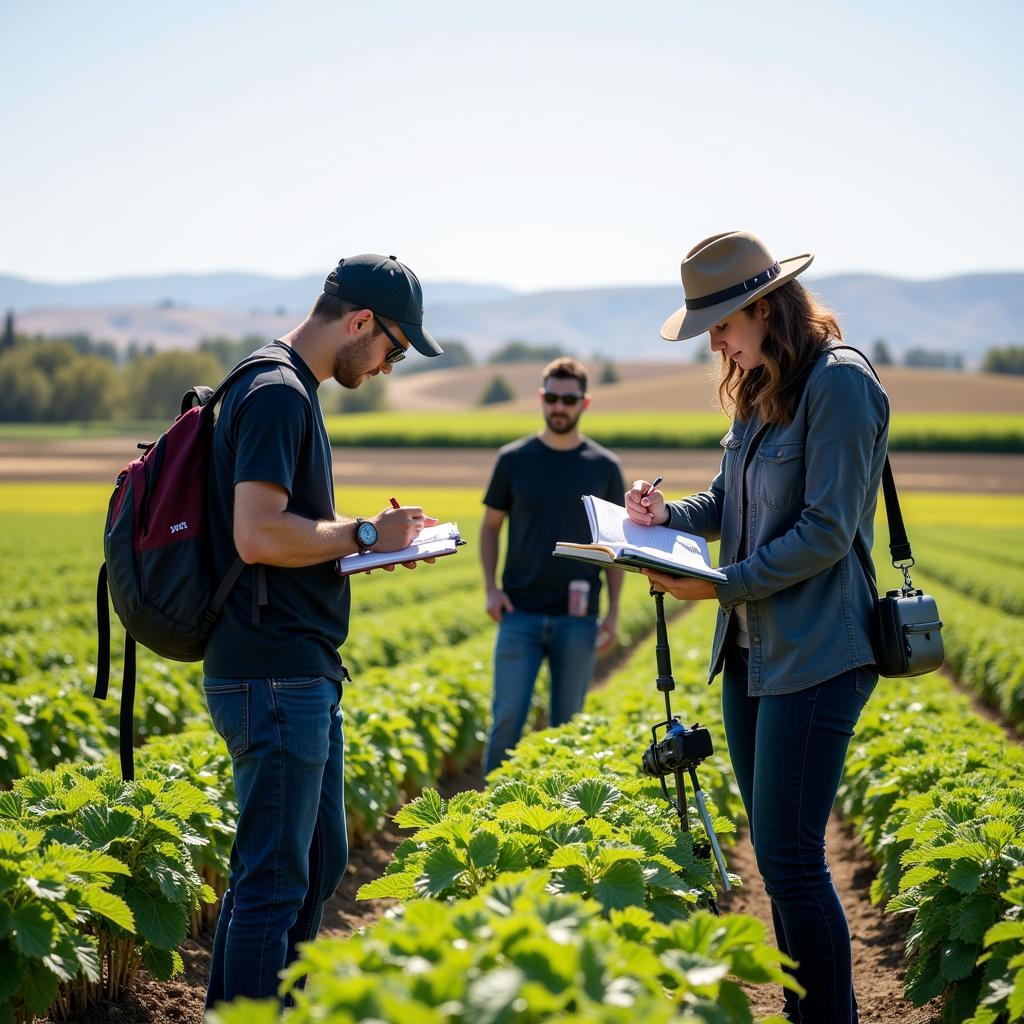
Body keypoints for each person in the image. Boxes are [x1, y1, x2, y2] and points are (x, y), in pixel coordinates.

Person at [626, 231, 888, 1024]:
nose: (714, 342)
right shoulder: (760, 383)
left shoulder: (837, 385)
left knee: (791, 857)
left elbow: (826, 532)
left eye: (720, 324)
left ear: (764, 309)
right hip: (750, 654)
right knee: (780, 861)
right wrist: (662, 515)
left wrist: (720, 587)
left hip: (818, 650)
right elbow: (727, 504)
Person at [202, 254, 443, 1007]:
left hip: (295, 668)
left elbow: (287, 540)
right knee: (274, 882)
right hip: (272, 673)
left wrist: (368, 545)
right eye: (393, 349)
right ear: (360, 322)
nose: (389, 367)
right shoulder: (276, 392)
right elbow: (259, 536)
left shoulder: (286, 387)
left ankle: (268, 1008)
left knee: (319, 860)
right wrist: (368, 535)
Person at [480, 357, 625, 774]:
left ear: (585, 402)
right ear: (541, 398)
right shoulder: (513, 460)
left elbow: (615, 549)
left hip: (577, 619)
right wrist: (491, 588)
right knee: (506, 721)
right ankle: (484, 818)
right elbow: (490, 528)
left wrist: (613, 612)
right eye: (552, 398)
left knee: (568, 727)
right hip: (519, 613)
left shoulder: (604, 467)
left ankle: (562, 817)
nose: (560, 407)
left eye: (569, 399)